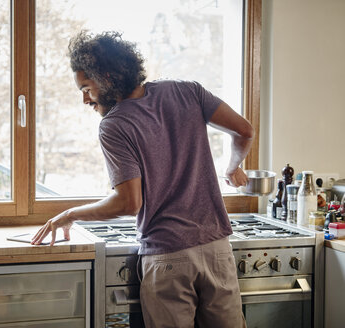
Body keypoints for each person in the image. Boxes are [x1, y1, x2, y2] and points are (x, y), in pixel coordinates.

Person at [32, 30, 253, 328]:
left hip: (168, 256)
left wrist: (70, 214)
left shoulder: (115, 124)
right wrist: (232, 167)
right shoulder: (188, 91)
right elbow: (245, 130)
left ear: (107, 76)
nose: (85, 99)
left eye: (86, 87)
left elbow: (128, 203)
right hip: (217, 249)